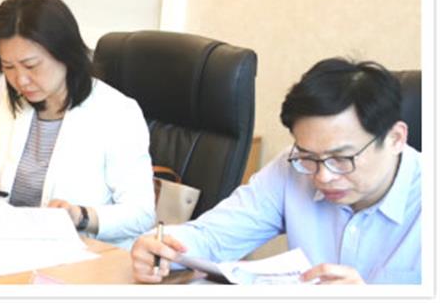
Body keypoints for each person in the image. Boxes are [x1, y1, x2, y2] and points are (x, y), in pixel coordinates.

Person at [131, 59, 421, 285]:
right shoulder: (292, 166)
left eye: (342, 158)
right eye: (309, 157)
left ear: (396, 138)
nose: (323, 177)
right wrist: (163, 248)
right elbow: (215, 236)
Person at [0, 0, 155, 244]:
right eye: (8, 67)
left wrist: (80, 216)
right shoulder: (14, 101)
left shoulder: (116, 112)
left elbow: (142, 214)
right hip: (14, 245)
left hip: (83, 255)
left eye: (31, 66)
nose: (20, 80)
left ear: (65, 54)